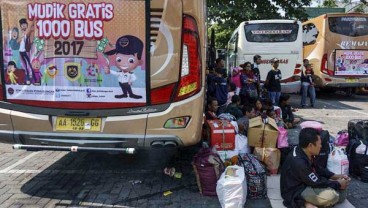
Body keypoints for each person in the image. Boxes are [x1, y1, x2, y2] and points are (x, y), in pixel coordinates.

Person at [281, 128, 350, 208]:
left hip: (307, 181)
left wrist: (336, 176)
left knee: (342, 193)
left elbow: (319, 169)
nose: (321, 146)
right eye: (319, 144)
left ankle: (316, 203)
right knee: (333, 196)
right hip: (296, 190)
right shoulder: (299, 162)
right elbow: (316, 182)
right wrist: (337, 184)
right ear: (310, 145)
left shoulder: (305, 150)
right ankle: (304, 203)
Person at [104, 35, 144, 99]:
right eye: (119, 59)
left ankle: (131, 94)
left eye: (131, 60)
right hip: (121, 83)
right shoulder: (120, 72)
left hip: (127, 83)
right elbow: (116, 73)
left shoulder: (130, 74)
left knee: (128, 89)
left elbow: (134, 77)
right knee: (123, 88)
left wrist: (130, 81)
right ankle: (124, 94)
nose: (123, 63)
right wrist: (109, 71)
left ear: (140, 62)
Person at [18, 18, 35, 85]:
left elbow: (30, 40)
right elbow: (18, 42)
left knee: (29, 64)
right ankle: (27, 77)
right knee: (24, 65)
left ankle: (34, 77)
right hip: (20, 51)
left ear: (27, 25)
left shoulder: (28, 32)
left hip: (26, 51)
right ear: (20, 26)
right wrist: (21, 37)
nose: (23, 26)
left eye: (25, 25)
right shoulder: (20, 33)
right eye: (22, 25)